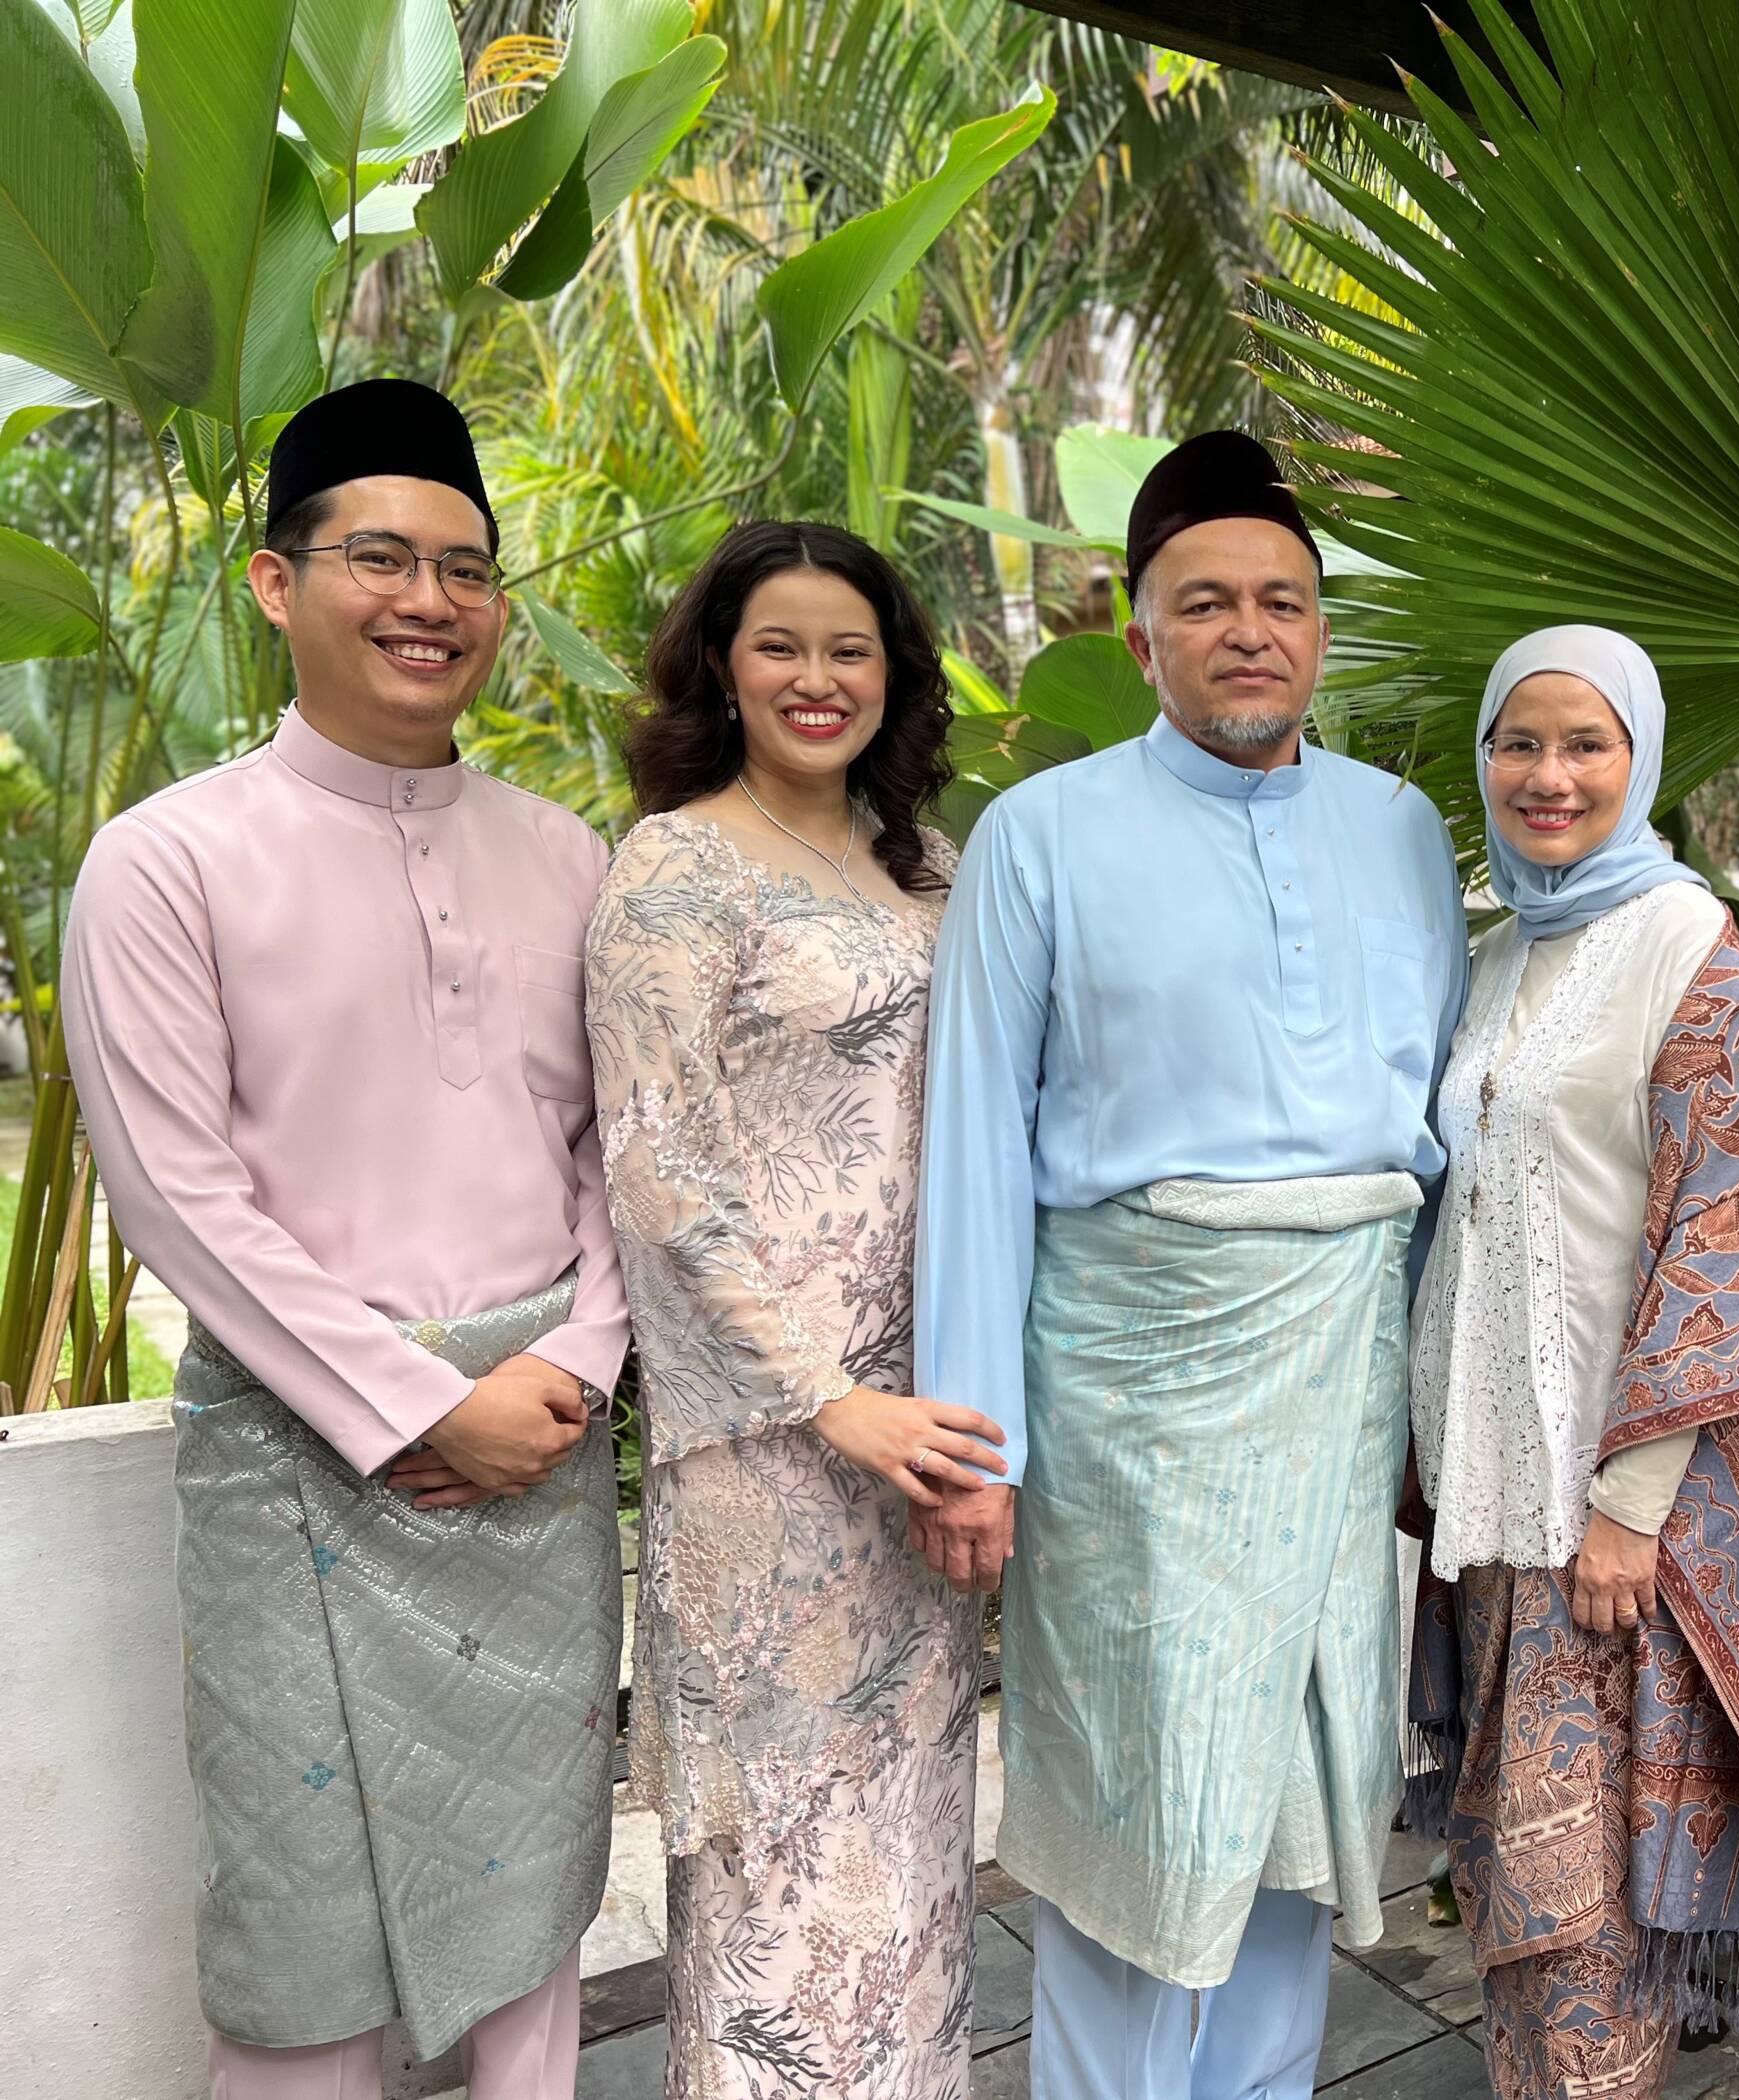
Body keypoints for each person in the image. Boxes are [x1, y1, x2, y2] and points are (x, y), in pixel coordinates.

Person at [59, 377, 627, 2099]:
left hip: (539, 1446)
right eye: (380, 557)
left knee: (535, 1933)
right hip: (304, 1473)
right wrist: (409, 1405)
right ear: (270, 580)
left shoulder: (570, 857)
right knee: (302, 1954)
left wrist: (575, 1364)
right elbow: (173, 1193)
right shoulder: (165, 864)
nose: (429, 602)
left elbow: (624, 1159)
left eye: (465, 569)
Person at [913, 430, 1467, 2100]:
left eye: (1283, 602)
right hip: (1134, 1406)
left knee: (1301, 1811)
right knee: (1147, 1829)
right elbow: (975, 1154)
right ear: (1138, 635)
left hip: (1341, 1390)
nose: (1250, 631)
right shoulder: (1041, 834)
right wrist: (971, 1442)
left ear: (1320, 634)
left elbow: (1442, 1136)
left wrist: (1439, 1425)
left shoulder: (1400, 831)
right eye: (1206, 602)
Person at [585, 521, 1008, 2098]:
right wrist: (832, 1397)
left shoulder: (934, 868)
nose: (818, 677)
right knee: (779, 1885)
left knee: (909, 1861)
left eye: (852, 647)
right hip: (776, 1453)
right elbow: (661, 1171)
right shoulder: (675, 867)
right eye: (781, 645)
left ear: (893, 673)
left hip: (932, 1434)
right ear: (722, 667)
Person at [1404, 625, 1739, 2095]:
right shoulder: (1497, 947)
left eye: (1587, 745)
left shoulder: (1687, 942)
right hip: (1489, 1492)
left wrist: (1635, 1500)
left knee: (1586, 1905)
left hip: (1615, 1509)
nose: (1547, 776)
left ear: (1642, 759)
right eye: (1520, 742)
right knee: (1519, 1882)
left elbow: (1718, 1226)